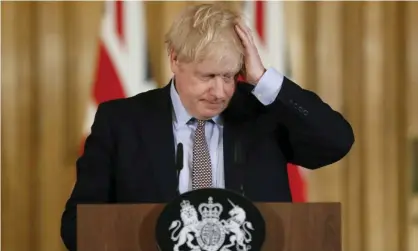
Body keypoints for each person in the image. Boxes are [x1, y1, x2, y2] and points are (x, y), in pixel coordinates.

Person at [60, 3, 354, 251]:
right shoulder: (121, 122)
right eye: (208, 76)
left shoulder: (263, 115)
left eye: (229, 76)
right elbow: (78, 224)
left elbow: (337, 141)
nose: (220, 92)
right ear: (175, 59)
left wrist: (263, 79)